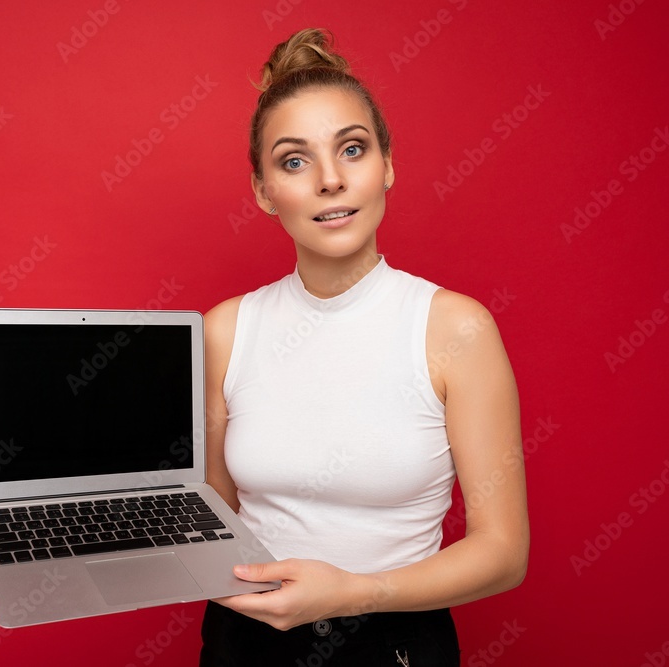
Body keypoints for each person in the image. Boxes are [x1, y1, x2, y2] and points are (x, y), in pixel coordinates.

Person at [199, 28, 529, 666]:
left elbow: (504, 553)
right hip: (247, 642)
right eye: (294, 160)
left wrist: (350, 593)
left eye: (352, 149)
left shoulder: (457, 329)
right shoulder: (223, 331)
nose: (330, 180)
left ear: (387, 166)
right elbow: (218, 520)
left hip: (396, 643)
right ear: (264, 191)